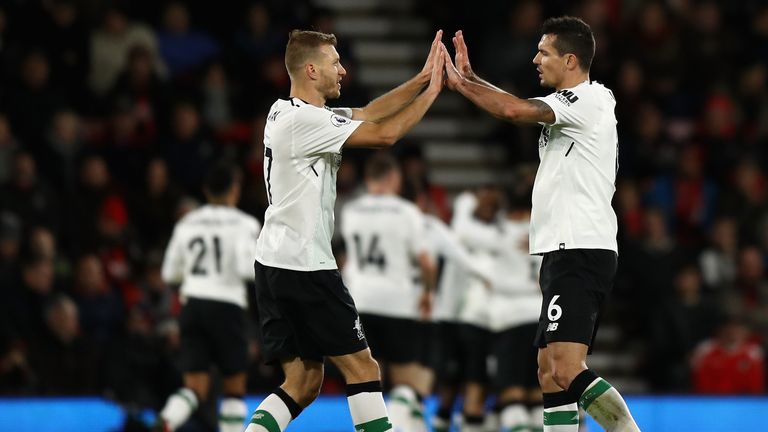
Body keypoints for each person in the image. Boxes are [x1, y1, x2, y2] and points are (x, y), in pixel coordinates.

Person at [442, 17, 641, 431]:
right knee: (549, 369)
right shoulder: (572, 104)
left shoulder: (588, 100)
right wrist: (474, 77)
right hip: (562, 250)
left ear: (570, 60)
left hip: (581, 248)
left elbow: (514, 109)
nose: (534, 58)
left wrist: (463, 86)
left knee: (567, 368)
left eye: (543, 52)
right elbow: (517, 103)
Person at [246, 29, 445, 432]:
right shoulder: (305, 122)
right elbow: (384, 133)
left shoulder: (285, 111)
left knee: (303, 382)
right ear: (312, 69)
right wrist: (433, 93)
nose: (343, 69)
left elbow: (370, 111)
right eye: (335, 62)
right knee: (363, 368)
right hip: (305, 264)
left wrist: (422, 77)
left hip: (273, 261)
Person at [154, 162, 262, 432]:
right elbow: (247, 268)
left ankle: (167, 420)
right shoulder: (244, 223)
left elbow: (169, 274)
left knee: (195, 388)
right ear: (234, 190)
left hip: (193, 307)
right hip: (227, 307)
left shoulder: (187, 222)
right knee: (234, 388)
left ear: (206, 190)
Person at [340, 152, 436, 431]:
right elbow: (427, 264)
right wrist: (427, 293)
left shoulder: (351, 210)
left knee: (367, 381)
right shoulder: (407, 212)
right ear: (394, 178)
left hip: (359, 302)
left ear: (368, 179)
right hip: (398, 303)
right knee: (407, 383)